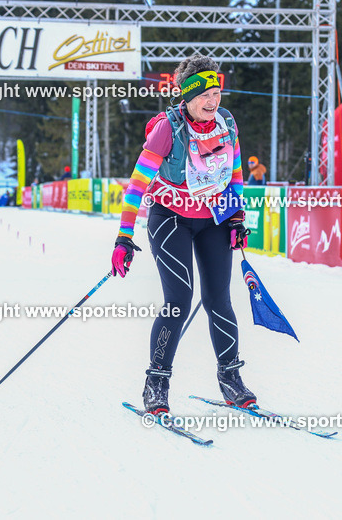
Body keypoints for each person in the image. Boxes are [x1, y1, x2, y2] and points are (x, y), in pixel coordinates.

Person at [109, 54, 256, 415]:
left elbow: (234, 173)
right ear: (188, 97)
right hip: (169, 219)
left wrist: (237, 218)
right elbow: (136, 186)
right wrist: (124, 237)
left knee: (219, 300)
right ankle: (156, 384)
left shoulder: (227, 123)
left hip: (214, 220)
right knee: (179, 302)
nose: (212, 101)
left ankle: (230, 379)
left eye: (217, 92)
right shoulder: (167, 129)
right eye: (204, 94)